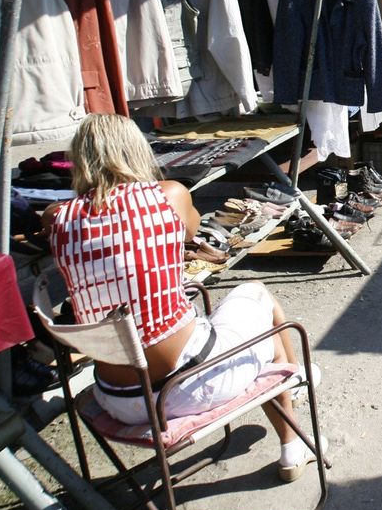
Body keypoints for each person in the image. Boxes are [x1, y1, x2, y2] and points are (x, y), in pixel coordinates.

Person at [44, 114, 320, 482]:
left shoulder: (56, 218)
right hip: (184, 388)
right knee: (257, 298)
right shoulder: (168, 195)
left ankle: (294, 388)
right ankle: (291, 435)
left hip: (115, 399)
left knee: (182, 319)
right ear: (136, 151)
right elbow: (192, 231)